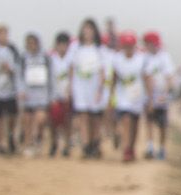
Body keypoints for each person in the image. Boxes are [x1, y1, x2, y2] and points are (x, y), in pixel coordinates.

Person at [69, 18, 109, 158]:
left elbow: (103, 70)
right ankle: (85, 145)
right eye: (85, 29)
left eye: (90, 29)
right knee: (83, 116)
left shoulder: (100, 49)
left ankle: (95, 143)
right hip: (81, 87)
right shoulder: (76, 48)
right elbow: (71, 68)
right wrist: (70, 86)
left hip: (95, 87)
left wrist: (100, 89)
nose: (87, 32)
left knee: (95, 117)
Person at [109, 30, 149, 163]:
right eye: (126, 46)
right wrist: (111, 96)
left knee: (135, 124)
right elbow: (114, 78)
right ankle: (126, 148)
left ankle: (131, 148)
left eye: (130, 46)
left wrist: (149, 98)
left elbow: (146, 78)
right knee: (126, 120)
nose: (128, 49)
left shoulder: (141, 59)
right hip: (123, 97)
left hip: (137, 97)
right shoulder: (117, 59)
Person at [0, 24, 21, 155]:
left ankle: (11, 136)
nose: (3, 36)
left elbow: (19, 66)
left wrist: (10, 69)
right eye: (1, 34)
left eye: (5, 33)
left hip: (10, 89)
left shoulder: (13, 49)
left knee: (12, 116)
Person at [141, 30, 175, 160]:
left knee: (162, 125)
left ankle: (162, 149)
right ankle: (150, 147)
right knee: (149, 121)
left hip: (161, 98)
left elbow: (169, 77)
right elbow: (144, 77)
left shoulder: (164, 57)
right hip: (148, 96)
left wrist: (165, 94)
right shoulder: (145, 57)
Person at [18, 32, 52, 157]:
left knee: (40, 119)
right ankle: (28, 144)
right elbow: (19, 76)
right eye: (29, 43)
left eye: (34, 43)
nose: (32, 46)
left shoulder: (45, 58)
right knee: (27, 120)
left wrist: (51, 95)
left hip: (42, 94)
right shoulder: (23, 58)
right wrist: (21, 90)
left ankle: (38, 140)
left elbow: (51, 77)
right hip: (28, 94)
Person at [46, 32, 73, 157]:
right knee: (53, 121)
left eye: (65, 45)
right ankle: (54, 143)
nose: (62, 48)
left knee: (67, 121)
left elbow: (72, 77)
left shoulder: (71, 59)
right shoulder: (51, 59)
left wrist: (70, 92)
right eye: (60, 45)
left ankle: (67, 145)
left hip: (66, 95)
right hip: (54, 96)